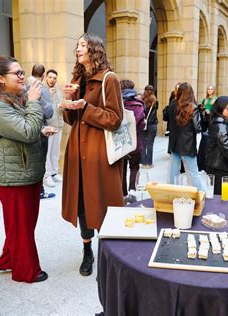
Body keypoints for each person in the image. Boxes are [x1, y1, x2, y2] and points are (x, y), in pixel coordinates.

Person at [0, 56, 48, 283]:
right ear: (0, 79)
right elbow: (26, 131)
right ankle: (27, 271)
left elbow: (25, 129)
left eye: (22, 71)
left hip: (24, 172)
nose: (22, 76)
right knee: (22, 226)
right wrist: (34, 101)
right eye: (16, 73)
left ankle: (7, 260)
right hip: (12, 177)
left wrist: (41, 129)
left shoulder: (13, 100)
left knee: (21, 223)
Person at [60, 33, 124, 277]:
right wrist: (68, 101)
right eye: (77, 45)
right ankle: (88, 252)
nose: (78, 49)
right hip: (77, 151)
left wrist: (86, 107)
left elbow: (115, 119)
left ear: (94, 49)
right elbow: (71, 119)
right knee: (81, 205)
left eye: (83, 45)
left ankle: (111, 254)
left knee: (103, 202)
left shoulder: (109, 79)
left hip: (99, 153)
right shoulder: (77, 79)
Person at [26, 64, 56, 199]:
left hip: (24, 128)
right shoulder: (41, 89)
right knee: (40, 161)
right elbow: (49, 113)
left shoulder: (22, 86)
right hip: (40, 129)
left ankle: (30, 192)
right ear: (43, 76)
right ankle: (39, 191)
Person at [167, 82, 203, 190]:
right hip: (187, 144)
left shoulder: (173, 104)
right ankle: (199, 193)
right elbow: (198, 128)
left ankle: (170, 192)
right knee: (192, 172)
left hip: (174, 143)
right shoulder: (193, 107)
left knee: (173, 172)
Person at [121, 79, 145, 203]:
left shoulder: (117, 103)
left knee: (122, 169)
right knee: (134, 168)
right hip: (136, 142)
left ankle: (123, 194)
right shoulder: (139, 105)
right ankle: (132, 192)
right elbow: (141, 126)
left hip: (121, 144)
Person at [43, 69, 64, 187]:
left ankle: (54, 173)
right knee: (47, 152)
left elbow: (60, 105)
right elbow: (43, 107)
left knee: (55, 151)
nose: (52, 80)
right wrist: (49, 97)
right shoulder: (43, 90)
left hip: (58, 125)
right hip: (48, 126)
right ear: (46, 77)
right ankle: (47, 175)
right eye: (50, 77)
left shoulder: (58, 90)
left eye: (54, 78)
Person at [141, 85, 158, 168]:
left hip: (143, 123)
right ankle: (149, 163)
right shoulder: (155, 101)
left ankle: (143, 163)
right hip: (153, 124)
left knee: (143, 143)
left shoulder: (141, 100)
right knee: (150, 144)